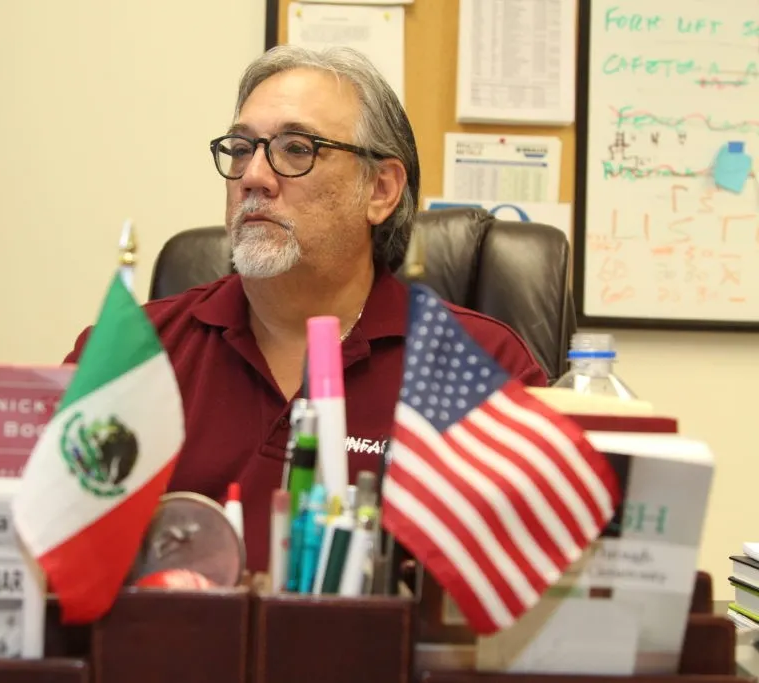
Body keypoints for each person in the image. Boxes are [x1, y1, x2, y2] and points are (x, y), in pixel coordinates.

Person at [65, 45, 548, 572]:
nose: (253, 175)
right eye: (241, 148)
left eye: (297, 149)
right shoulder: (130, 354)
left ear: (381, 190)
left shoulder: (482, 365)